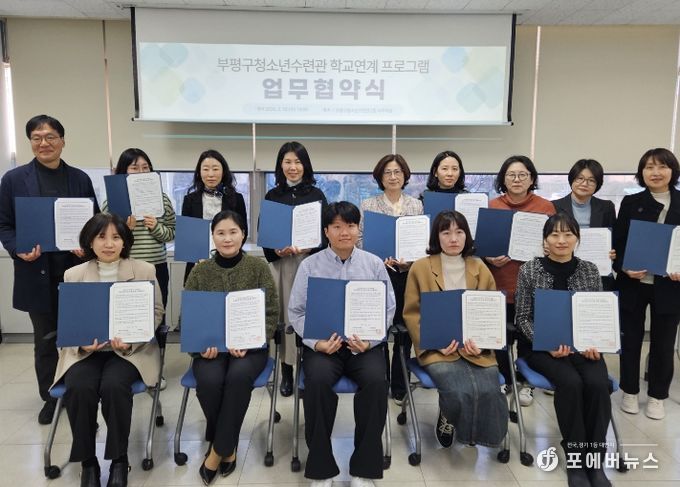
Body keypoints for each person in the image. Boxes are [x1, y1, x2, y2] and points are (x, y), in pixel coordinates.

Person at [288, 202, 396, 487]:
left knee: (376, 382)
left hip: (363, 347)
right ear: (326, 231)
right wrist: (316, 343)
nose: (344, 232)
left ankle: (364, 469)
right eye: (336, 226)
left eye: (350, 225)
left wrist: (370, 341)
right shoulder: (310, 266)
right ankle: (322, 469)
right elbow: (296, 312)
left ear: (359, 229)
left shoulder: (374, 264)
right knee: (317, 382)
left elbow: (388, 309)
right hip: (325, 347)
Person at [0, 114, 99, 425]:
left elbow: (94, 221)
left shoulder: (80, 179)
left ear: (62, 141)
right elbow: (4, 225)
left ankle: (80, 393)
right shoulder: (13, 180)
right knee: (45, 341)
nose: (44, 143)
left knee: (80, 336)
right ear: (30, 142)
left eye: (51, 137)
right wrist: (17, 248)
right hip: (36, 274)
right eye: (37, 138)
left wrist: (87, 244)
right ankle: (51, 397)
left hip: (75, 273)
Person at [52, 213, 163, 487]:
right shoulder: (74, 274)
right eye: (101, 237)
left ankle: (119, 460)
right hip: (86, 351)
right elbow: (68, 318)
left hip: (129, 352)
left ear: (125, 241)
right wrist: (80, 341)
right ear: (90, 241)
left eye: (116, 237)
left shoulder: (145, 270)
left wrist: (132, 339)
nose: (109, 244)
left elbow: (156, 312)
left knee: (114, 386)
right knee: (80, 387)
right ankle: (88, 462)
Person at [515, 212, 611, 487]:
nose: (561, 240)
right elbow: (522, 318)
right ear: (545, 240)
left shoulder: (590, 270)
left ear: (577, 239)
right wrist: (546, 343)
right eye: (554, 234)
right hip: (540, 349)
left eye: (568, 234)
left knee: (598, 384)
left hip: (583, 348)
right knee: (570, 383)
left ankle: (595, 460)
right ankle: (576, 459)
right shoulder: (529, 269)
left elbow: (596, 314)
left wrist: (597, 344)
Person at [184, 210, 278, 485]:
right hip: (210, 349)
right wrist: (200, 348)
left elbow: (271, 312)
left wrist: (250, 340)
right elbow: (189, 316)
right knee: (210, 380)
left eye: (233, 232)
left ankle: (218, 450)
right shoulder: (200, 271)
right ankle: (227, 445)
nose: (227, 239)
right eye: (221, 233)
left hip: (250, 349)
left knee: (238, 376)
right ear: (212, 237)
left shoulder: (258, 268)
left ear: (243, 235)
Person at [403, 210, 507, 449]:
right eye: (446, 233)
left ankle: (481, 436)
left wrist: (483, 343)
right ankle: (448, 415)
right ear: (436, 237)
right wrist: (434, 342)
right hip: (438, 348)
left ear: (467, 236)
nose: (453, 239)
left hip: (475, 347)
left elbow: (491, 311)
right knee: (457, 389)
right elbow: (412, 313)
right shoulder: (421, 267)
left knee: (489, 388)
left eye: (459, 232)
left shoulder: (479, 267)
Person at [614, 148, 680, 420]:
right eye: (649, 167)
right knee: (630, 339)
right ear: (641, 172)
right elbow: (617, 243)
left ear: (673, 171)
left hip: (671, 286)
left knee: (664, 343)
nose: (656, 172)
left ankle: (657, 396)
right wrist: (624, 268)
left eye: (662, 167)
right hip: (634, 283)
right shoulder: (631, 203)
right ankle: (629, 391)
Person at [485, 155, 555, 406]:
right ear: (503, 179)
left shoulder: (546, 207)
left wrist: (547, 250)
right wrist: (489, 257)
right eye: (511, 175)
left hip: (533, 284)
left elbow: (554, 242)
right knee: (499, 336)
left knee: (528, 335)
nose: (517, 179)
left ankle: (526, 383)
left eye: (523, 175)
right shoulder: (492, 206)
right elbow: (481, 245)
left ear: (531, 178)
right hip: (499, 282)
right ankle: (504, 377)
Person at [261, 141, 328, 397]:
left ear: (305, 165)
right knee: (285, 318)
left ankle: (309, 366)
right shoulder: (272, 196)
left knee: (309, 316)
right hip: (281, 266)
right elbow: (265, 236)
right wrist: (276, 251)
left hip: (309, 264)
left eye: (298, 162)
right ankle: (287, 369)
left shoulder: (316, 195)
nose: (293, 167)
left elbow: (326, 236)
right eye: (288, 162)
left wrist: (311, 247)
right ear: (280, 165)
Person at [359, 154, 423, 405]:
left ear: (405, 176)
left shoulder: (416, 205)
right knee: (380, 330)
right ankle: (380, 379)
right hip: (378, 276)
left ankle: (400, 383)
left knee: (404, 332)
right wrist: (378, 259)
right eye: (387, 172)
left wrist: (411, 261)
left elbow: (422, 241)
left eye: (398, 172)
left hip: (408, 276)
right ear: (380, 177)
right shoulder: (368, 205)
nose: (393, 177)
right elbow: (359, 239)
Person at [102, 148, 176, 325]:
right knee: (127, 316)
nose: (141, 172)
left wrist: (156, 227)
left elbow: (172, 233)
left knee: (157, 314)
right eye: (134, 168)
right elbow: (103, 238)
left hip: (157, 266)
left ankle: (158, 344)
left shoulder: (162, 199)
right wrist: (125, 230)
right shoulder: (112, 202)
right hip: (124, 266)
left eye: (145, 167)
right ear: (124, 171)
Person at [181, 149, 248, 283]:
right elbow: (187, 236)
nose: (210, 174)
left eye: (215, 169)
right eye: (205, 169)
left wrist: (226, 253)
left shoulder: (236, 199)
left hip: (231, 262)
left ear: (223, 172)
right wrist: (199, 258)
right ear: (199, 172)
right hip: (198, 263)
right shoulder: (189, 200)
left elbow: (243, 232)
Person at [552, 159, 616, 289]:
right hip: (563, 269)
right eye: (579, 178)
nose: (584, 184)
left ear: (598, 184)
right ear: (572, 179)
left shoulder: (607, 207)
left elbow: (614, 239)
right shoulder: (554, 206)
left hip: (597, 272)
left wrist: (613, 252)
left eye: (591, 180)